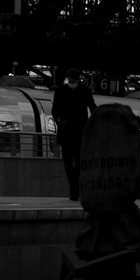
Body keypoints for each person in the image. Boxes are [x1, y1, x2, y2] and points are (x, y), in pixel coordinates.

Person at [51, 67, 98, 200]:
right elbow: (55, 110)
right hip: (68, 130)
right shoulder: (61, 91)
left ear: (77, 80)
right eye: (70, 79)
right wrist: (59, 120)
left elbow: (93, 108)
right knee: (69, 163)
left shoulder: (85, 91)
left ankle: (74, 190)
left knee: (76, 163)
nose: (71, 82)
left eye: (73, 80)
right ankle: (75, 189)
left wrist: (93, 121)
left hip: (78, 132)